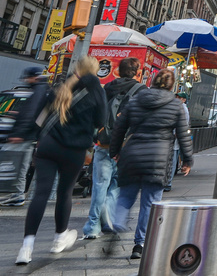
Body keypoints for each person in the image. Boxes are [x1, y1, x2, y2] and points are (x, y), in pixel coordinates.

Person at [17, 56, 106, 266]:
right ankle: (59, 239)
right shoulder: (96, 90)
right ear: (94, 71)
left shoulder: (62, 86)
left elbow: (41, 116)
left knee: (40, 193)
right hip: (73, 150)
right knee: (64, 193)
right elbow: (101, 121)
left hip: (48, 145)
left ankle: (26, 248)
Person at [107, 68, 193, 260]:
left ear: (153, 81)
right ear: (172, 85)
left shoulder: (136, 99)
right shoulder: (175, 105)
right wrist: (187, 160)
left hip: (132, 154)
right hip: (158, 157)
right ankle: (140, 244)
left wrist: (114, 152)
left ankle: (118, 223)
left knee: (125, 197)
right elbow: (183, 134)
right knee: (150, 202)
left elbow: (119, 128)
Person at [83, 57, 145, 238]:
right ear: (137, 72)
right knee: (117, 184)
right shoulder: (142, 91)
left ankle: (92, 227)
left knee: (99, 185)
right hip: (125, 146)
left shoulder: (107, 87)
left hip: (103, 143)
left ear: (118, 71)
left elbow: (95, 112)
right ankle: (108, 218)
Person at [1, 65, 50, 207]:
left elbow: (30, 113)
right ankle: (17, 194)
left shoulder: (38, 90)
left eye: (28, 77)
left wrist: (18, 133)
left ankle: (16, 194)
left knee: (14, 165)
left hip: (24, 136)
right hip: (29, 135)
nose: (26, 80)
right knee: (20, 166)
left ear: (34, 77)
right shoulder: (41, 89)